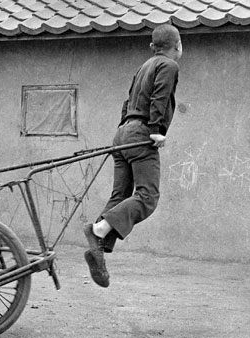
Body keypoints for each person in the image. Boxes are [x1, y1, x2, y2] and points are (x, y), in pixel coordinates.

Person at [83, 24, 183, 288]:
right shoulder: (168, 65)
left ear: (152, 46)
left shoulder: (143, 67)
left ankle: (97, 248)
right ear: (178, 45)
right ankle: (99, 230)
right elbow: (160, 96)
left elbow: (128, 102)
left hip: (123, 133)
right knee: (147, 197)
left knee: (120, 196)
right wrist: (156, 130)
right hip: (141, 133)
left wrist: (123, 130)